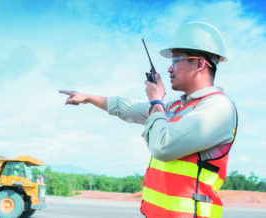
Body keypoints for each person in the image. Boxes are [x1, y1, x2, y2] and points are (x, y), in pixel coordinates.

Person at [59, 22, 237, 218]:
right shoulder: (176, 107)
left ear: (200, 64)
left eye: (176, 60)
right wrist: (88, 98)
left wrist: (156, 101)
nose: (169, 69)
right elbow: (128, 107)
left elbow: (163, 146)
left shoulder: (219, 108)